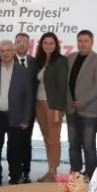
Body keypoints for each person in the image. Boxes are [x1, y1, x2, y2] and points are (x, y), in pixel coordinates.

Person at [0, 40, 33, 188]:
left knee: (15, 149)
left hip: (16, 116)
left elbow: (28, 97)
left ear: (14, 51)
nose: (5, 53)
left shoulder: (23, 72)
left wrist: (26, 119)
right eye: (2, 50)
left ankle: (15, 177)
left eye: (8, 50)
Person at [66, 30, 97, 176]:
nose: (83, 44)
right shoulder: (70, 57)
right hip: (71, 109)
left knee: (88, 144)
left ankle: (90, 173)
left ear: (92, 42)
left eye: (86, 41)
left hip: (90, 110)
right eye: (80, 41)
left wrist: (83, 102)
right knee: (73, 142)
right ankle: (75, 171)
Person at [33, 32, 68, 182]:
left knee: (54, 139)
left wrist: (58, 110)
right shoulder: (39, 61)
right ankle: (50, 170)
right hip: (39, 103)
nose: (48, 46)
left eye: (51, 43)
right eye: (45, 43)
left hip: (52, 105)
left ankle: (53, 172)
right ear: (41, 45)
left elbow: (62, 86)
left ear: (56, 45)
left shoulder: (61, 61)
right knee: (47, 138)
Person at [12, 32, 36, 182]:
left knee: (26, 142)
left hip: (29, 109)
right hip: (11, 110)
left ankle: (26, 171)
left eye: (24, 42)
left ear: (29, 45)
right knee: (13, 142)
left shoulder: (34, 62)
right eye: (19, 41)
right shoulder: (7, 59)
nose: (21, 44)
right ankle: (14, 172)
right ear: (14, 44)